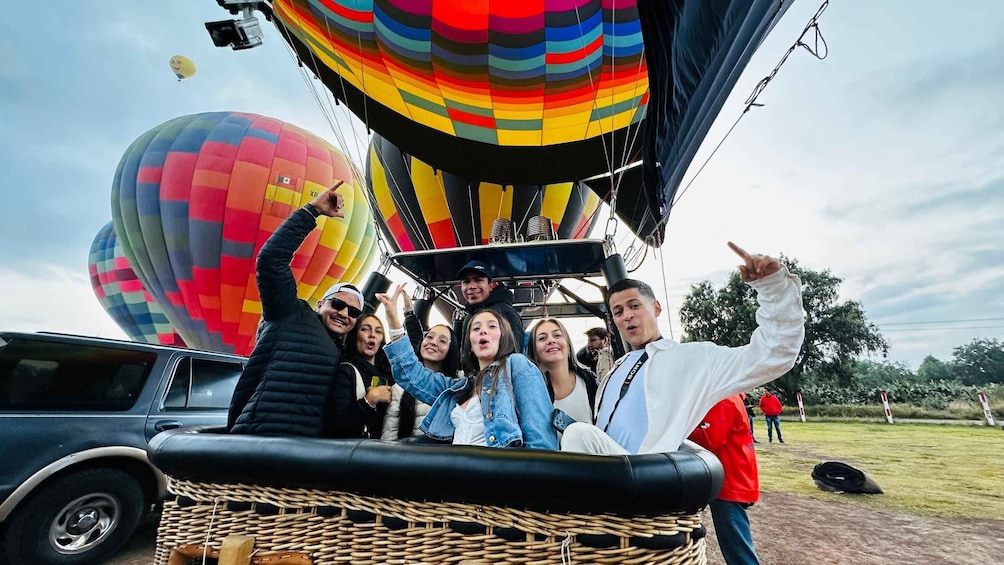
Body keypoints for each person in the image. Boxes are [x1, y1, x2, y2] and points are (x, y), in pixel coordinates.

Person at [559, 242, 805, 455]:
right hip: (604, 474)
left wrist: (774, 288)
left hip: (639, 478)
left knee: (578, 433)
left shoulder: (690, 359)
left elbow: (774, 353)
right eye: (618, 312)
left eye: (635, 306)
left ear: (656, 308)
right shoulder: (616, 370)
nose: (627, 316)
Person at [228, 183, 367, 437]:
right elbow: (271, 260)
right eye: (337, 304)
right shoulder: (290, 314)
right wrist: (311, 212)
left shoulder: (341, 351)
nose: (344, 313)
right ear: (320, 304)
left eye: (353, 312)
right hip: (258, 438)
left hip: (303, 450)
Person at [379, 286, 557, 449]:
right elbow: (412, 376)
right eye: (476, 328)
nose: (483, 330)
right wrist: (393, 321)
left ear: (504, 336)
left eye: (492, 326)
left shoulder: (517, 366)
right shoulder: (461, 387)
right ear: (470, 344)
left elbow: (542, 444)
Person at [688, 396, 762, 565]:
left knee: (738, 552)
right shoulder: (729, 396)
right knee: (735, 546)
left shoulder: (724, 399)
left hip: (731, 483)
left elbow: (708, 439)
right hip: (734, 479)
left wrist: (680, 431)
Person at [381, 290, 461, 441]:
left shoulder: (459, 388)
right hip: (408, 460)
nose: (433, 342)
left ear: (452, 350)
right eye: (429, 336)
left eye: (442, 341)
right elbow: (390, 433)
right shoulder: (400, 388)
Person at [527, 318, 599, 428]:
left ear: (568, 344)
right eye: (542, 338)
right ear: (534, 351)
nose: (551, 341)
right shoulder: (528, 393)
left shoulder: (590, 381)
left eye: (557, 335)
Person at [333, 314, 395, 439]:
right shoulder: (346, 371)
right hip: (356, 451)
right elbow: (336, 425)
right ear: (355, 335)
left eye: (378, 331)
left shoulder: (388, 375)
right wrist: (369, 400)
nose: (372, 334)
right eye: (365, 329)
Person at [453, 260, 526, 353]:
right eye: (466, 282)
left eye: (478, 280)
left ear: (490, 286)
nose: (472, 286)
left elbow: (516, 352)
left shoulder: (505, 312)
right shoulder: (468, 317)